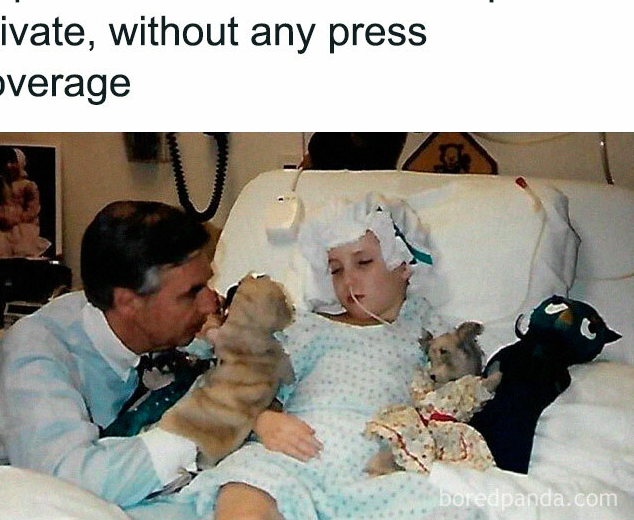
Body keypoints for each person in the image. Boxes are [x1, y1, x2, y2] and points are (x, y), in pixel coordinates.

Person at [162, 198, 482, 520]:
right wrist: (262, 420)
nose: (349, 281)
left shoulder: (427, 328)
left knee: (455, 505)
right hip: (292, 451)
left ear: (402, 265)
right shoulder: (310, 326)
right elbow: (254, 380)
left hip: (378, 464)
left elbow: (455, 390)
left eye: (364, 262)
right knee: (243, 492)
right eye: (336, 270)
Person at [0, 200, 220, 509]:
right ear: (128, 303)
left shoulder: (144, 325)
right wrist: (203, 432)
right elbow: (69, 480)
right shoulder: (35, 358)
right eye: (192, 293)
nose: (210, 304)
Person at [0, 147, 50, 259]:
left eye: (13, 162)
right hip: (0, 224)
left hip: (21, 224)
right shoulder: (0, 184)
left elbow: (33, 209)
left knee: (22, 244)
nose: (9, 166)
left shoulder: (28, 186)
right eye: (7, 162)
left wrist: (17, 219)